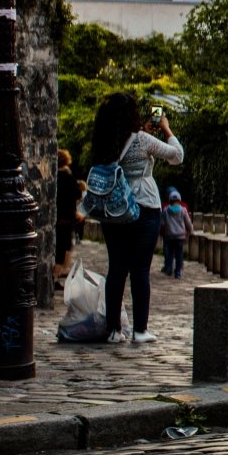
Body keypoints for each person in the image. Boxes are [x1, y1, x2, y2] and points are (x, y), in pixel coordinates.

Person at [91, 91, 183, 344]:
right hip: (144, 206)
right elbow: (177, 155)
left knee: (117, 268)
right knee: (140, 269)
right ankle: (140, 330)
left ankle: (113, 330)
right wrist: (166, 128)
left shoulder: (104, 140)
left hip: (113, 209)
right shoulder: (142, 140)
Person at [53, 148, 79, 282]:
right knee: (64, 247)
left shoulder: (54, 177)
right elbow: (77, 194)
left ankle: (58, 273)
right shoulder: (68, 177)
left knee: (58, 246)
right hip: (67, 219)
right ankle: (56, 276)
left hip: (56, 217)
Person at [161, 188, 192, 277]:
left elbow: (162, 222)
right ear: (179, 200)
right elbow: (188, 222)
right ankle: (178, 272)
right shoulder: (183, 210)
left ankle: (169, 268)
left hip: (169, 235)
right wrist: (189, 230)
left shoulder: (166, 210)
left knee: (169, 253)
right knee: (179, 254)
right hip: (180, 236)